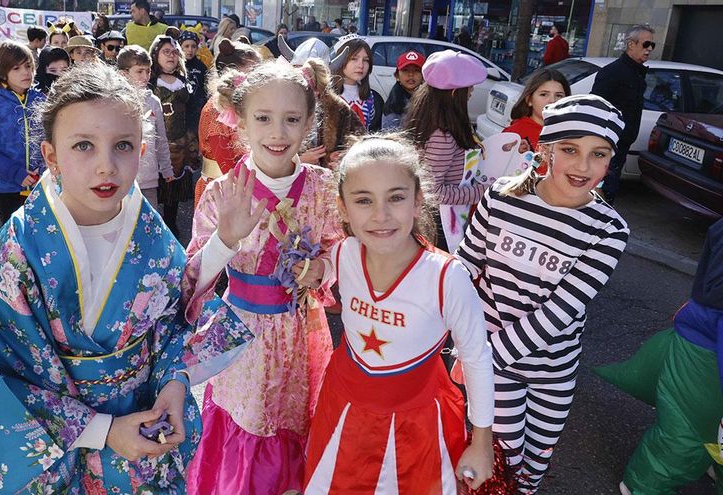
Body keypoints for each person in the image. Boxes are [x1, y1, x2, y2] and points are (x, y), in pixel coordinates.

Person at [0, 62, 254, 493]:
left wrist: (175, 383)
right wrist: (103, 431)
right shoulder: (14, 256)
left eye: (122, 145)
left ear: (141, 151)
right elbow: (1, 377)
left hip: (146, 422)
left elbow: (174, 314)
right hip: (68, 446)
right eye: (83, 145)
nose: (106, 166)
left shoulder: (145, 228)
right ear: (51, 155)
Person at [456, 94, 629, 493]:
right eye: (570, 149)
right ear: (545, 148)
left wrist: (480, 357)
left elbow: (561, 311)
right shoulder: (500, 197)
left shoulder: (609, 230)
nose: (583, 166)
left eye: (599, 154)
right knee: (501, 458)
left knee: (535, 464)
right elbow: (464, 268)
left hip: (553, 369)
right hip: (495, 364)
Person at [303, 134, 495, 493]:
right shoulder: (345, 251)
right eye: (363, 201)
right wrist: (317, 270)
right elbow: (330, 269)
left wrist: (481, 441)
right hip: (343, 409)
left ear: (418, 200)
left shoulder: (446, 277)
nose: (381, 216)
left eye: (396, 197)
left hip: (418, 424)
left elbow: (477, 358)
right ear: (343, 208)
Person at [185, 60, 343, 494]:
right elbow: (190, 282)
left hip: (301, 333)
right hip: (240, 339)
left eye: (292, 119)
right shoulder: (222, 191)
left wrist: (322, 269)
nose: (278, 132)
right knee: (248, 426)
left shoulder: (326, 188)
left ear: (310, 122)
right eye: (263, 118)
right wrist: (224, 240)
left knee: (297, 427)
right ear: (239, 120)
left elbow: (341, 252)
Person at [617, 219, 723, 495]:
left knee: (700, 432)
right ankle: (644, 485)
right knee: (685, 435)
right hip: (705, 351)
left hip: (702, 337)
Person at [402, 49, 487, 252]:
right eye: (469, 88)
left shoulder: (439, 121)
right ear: (454, 93)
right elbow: (433, 191)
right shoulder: (442, 134)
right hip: (442, 224)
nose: (472, 92)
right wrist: (481, 192)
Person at [0, 40, 45, 223]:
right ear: (2, 72)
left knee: (43, 234)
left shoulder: (42, 100)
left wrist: (45, 169)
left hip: (41, 183)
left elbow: (53, 139)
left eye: (28, 66)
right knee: (15, 237)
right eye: (16, 68)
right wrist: (16, 173)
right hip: (6, 188)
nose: (26, 73)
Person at [591, 24, 654, 204]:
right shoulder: (613, 72)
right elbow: (596, 106)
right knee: (601, 193)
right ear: (631, 44)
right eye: (646, 44)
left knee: (609, 192)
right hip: (607, 145)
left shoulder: (637, 74)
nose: (649, 49)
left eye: (652, 45)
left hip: (622, 146)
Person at [277, 36, 363, 168]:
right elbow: (263, 153)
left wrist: (344, 156)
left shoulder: (339, 108)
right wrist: (297, 161)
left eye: (315, 79)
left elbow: (360, 142)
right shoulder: (277, 107)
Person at [194, 38, 261, 207]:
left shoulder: (245, 104)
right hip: (221, 188)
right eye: (253, 70)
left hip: (244, 185)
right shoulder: (216, 110)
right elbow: (227, 164)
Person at [149, 29, 196, 237]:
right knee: (154, 188)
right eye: (166, 51)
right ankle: (152, 225)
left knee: (174, 189)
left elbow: (193, 112)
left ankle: (171, 222)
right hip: (156, 143)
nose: (171, 55)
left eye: (174, 52)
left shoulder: (184, 83)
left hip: (180, 144)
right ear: (155, 55)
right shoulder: (150, 83)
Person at [117, 44, 174, 210]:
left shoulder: (153, 102)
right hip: (121, 178)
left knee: (149, 224)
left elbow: (161, 139)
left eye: (148, 71)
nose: (145, 76)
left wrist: (167, 168)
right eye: (139, 71)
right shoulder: (113, 102)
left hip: (148, 179)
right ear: (123, 74)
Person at [503, 68, 570, 173]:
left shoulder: (572, 132)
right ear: (529, 100)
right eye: (544, 94)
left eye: (559, 95)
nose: (552, 101)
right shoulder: (513, 133)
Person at [332, 34, 384, 131]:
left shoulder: (370, 96)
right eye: (354, 59)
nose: (361, 65)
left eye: (365, 60)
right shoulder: (328, 94)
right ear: (340, 60)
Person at [382, 50, 425, 130]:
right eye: (405, 70)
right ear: (397, 75)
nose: (411, 74)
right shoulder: (393, 105)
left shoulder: (429, 101)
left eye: (416, 70)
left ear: (423, 76)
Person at [179, 29, 207, 134]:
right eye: (186, 46)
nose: (190, 50)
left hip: (197, 111)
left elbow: (206, 87)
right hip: (181, 112)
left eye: (193, 46)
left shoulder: (201, 66)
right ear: (180, 47)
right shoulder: (176, 65)